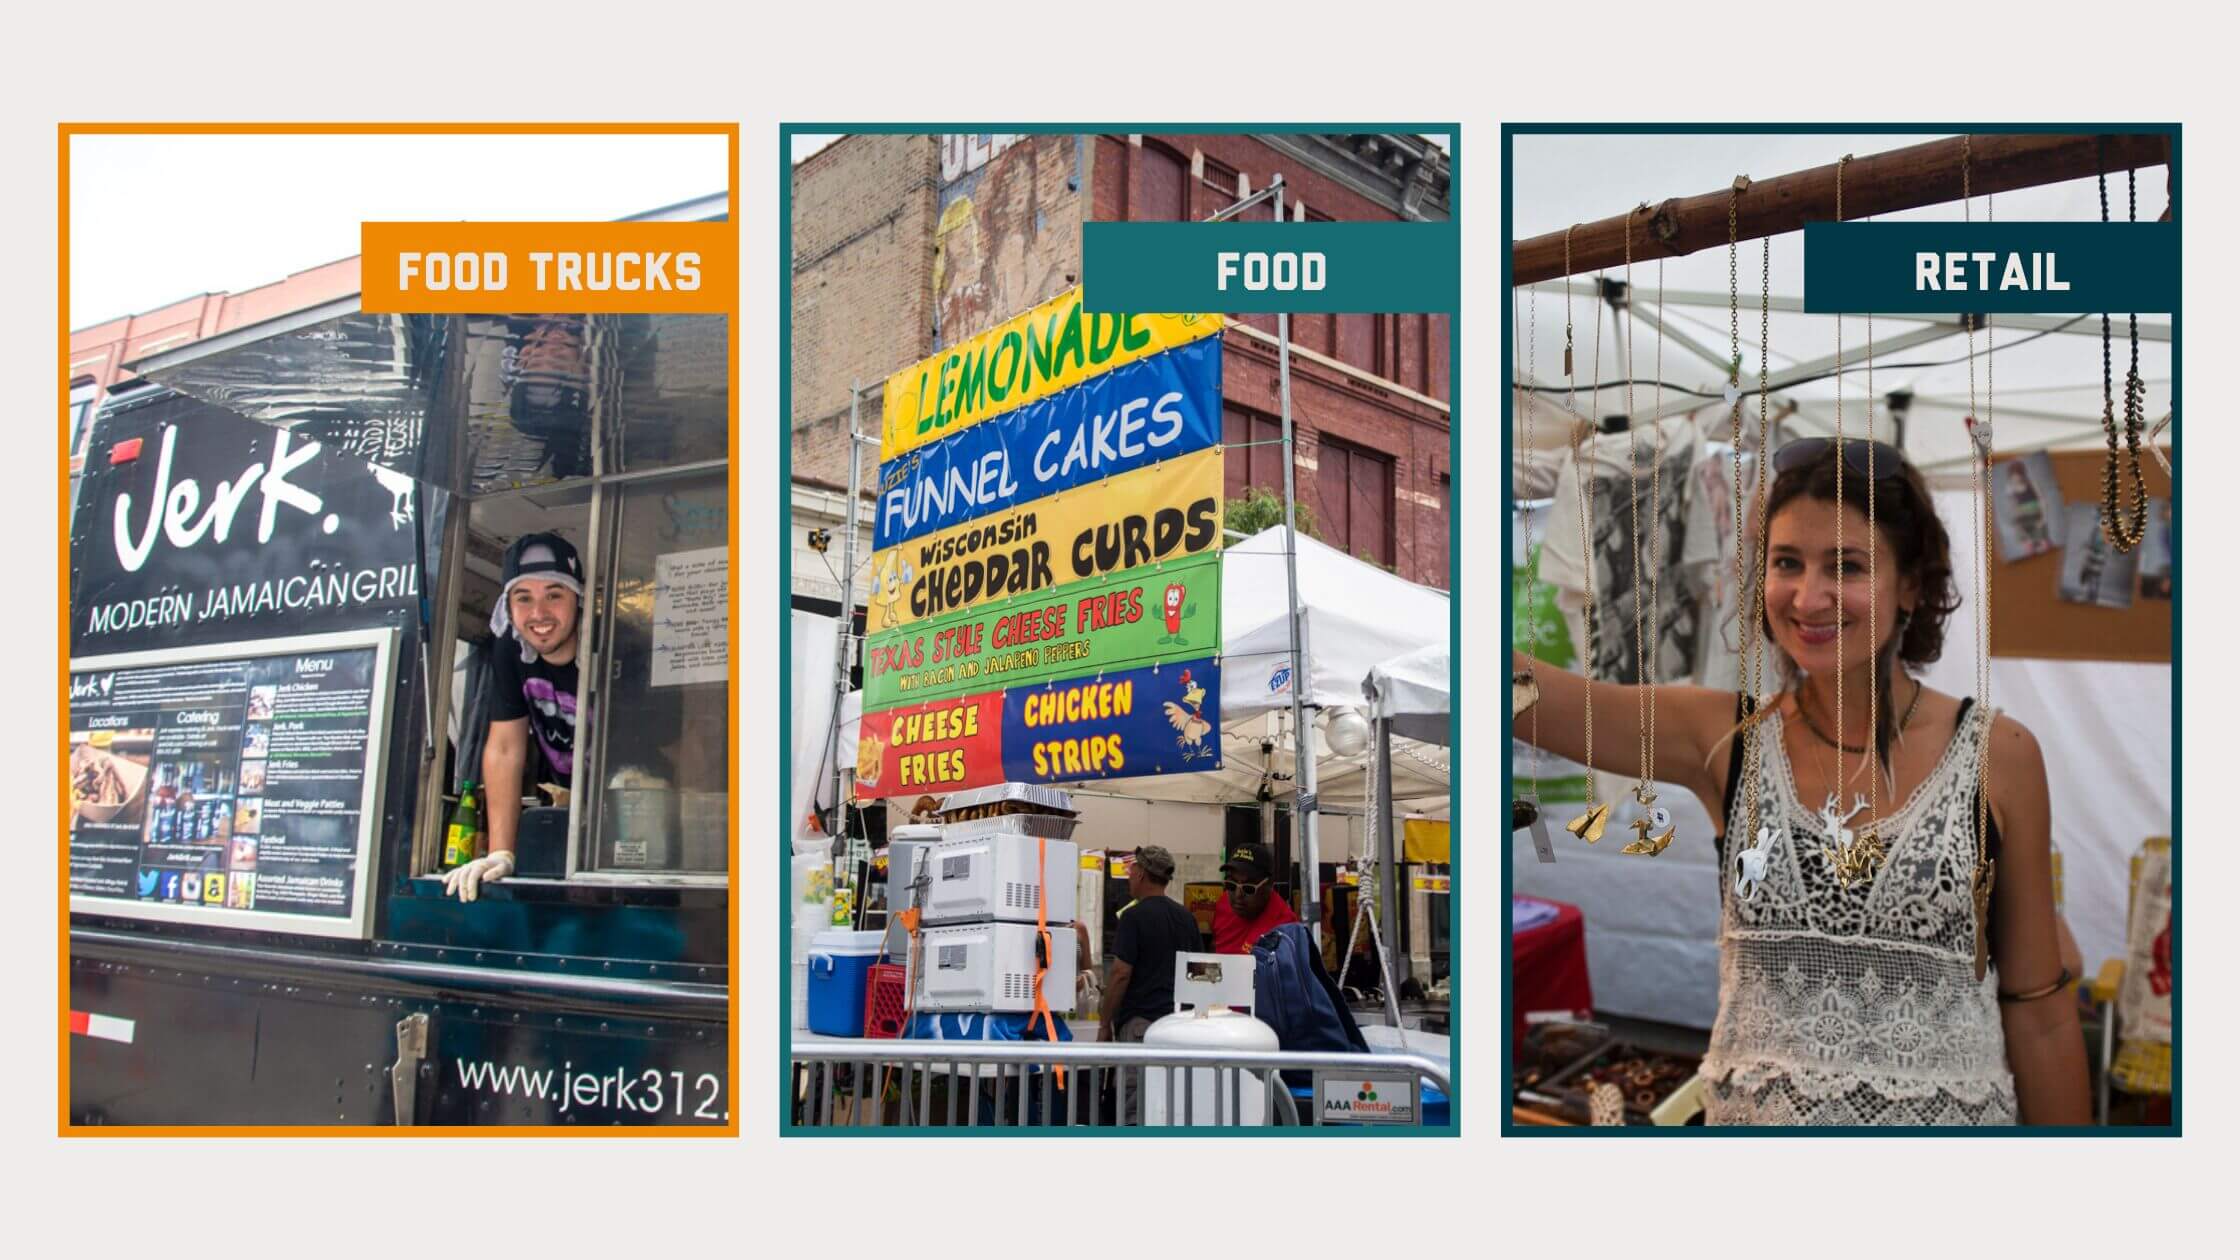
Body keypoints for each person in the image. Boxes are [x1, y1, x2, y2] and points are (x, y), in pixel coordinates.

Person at [1513, 438, 2088, 1125]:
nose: (1808, 597)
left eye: (1845, 565)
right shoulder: (1721, 741)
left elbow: (2042, 1012)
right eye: (1787, 563)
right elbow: (1522, 696)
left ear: (1910, 583)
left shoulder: (2001, 754)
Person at [445, 532, 586, 901]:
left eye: (554, 595)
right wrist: (501, 853)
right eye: (524, 598)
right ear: (507, 606)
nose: (538, 614)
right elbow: (505, 747)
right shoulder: (509, 648)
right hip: (567, 802)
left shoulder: (615, 644)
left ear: (579, 599)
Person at [1098, 846, 1197, 1124]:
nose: (1129, 876)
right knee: (1171, 1105)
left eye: (1132, 870)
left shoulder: (1133, 917)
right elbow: (1199, 974)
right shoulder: (1186, 918)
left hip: (1142, 1026)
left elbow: (1120, 974)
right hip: (1179, 1027)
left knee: (1135, 1108)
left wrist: (1105, 1024)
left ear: (1141, 874)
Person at [1211, 841, 1295, 955]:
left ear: (1269, 885)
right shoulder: (1223, 904)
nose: (1238, 895)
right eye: (1231, 885)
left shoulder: (1285, 927)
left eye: (1248, 888)